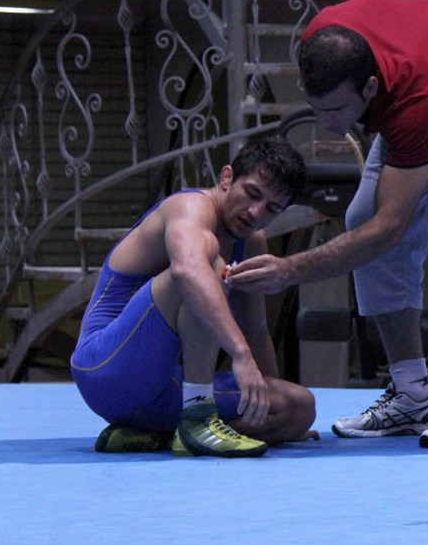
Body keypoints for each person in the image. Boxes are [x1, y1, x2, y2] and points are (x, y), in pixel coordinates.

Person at [226, 0, 428, 449]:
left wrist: (290, 269)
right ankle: (411, 393)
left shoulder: (417, 97)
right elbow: (374, 224)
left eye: (336, 110)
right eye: (315, 107)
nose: (325, 124)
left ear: (370, 87)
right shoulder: (320, 41)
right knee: (360, 216)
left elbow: (390, 228)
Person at [71, 138, 317, 458]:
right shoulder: (190, 208)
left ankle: (154, 435)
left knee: (299, 408)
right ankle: (198, 419)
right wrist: (240, 355)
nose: (255, 212)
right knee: (208, 264)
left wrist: (266, 403)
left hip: (165, 389)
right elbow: (188, 271)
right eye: (252, 193)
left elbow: (255, 329)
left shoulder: (251, 241)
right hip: (106, 368)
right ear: (226, 178)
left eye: (272, 208)